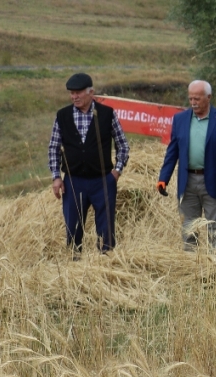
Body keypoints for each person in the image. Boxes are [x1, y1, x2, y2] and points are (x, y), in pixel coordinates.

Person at [49, 73, 130, 254]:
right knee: (73, 228)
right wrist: (56, 177)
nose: (74, 97)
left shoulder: (107, 114)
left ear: (91, 92)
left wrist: (116, 172)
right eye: (72, 93)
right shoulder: (62, 116)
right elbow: (54, 148)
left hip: (103, 181)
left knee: (106, 230)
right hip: (73, 181)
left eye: (78, 93)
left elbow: (123, 146)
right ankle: (74, 264)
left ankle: (106, 263)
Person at [157, 80, 216, 250]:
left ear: (209, 97)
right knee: (189, 230)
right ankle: (191, 267)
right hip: (188, 182)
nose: (193, 102)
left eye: (197, 99)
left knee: (215, 230)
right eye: (191, 98)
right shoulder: (180, 119)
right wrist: (164, 178)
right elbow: (172, 151)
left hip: (214, 181)